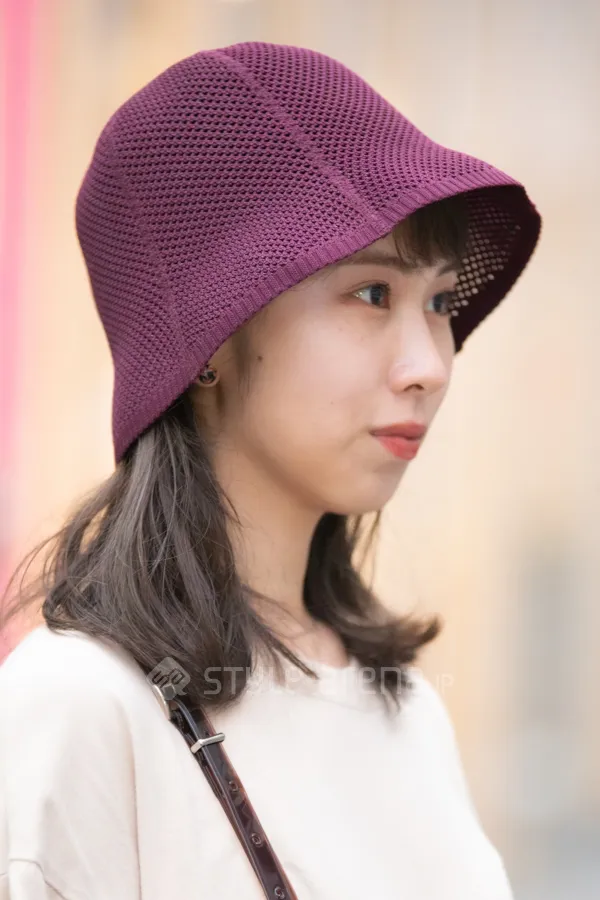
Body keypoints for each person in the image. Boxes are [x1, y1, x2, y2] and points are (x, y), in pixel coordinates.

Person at [0, 41, 541, 900]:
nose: (431, 365)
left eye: (439, 302)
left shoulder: (403, 706)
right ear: (212, 338)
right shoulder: (81, 708)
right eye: (373, 294)